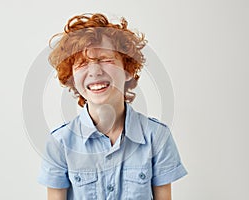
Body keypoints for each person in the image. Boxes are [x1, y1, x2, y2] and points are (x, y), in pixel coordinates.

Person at [38, 13, 187, 200]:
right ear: (72, 77)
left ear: (128, 70)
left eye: (105, 59)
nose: (94, 71)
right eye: (83, 63)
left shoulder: (157, 137)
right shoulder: (60, 143)